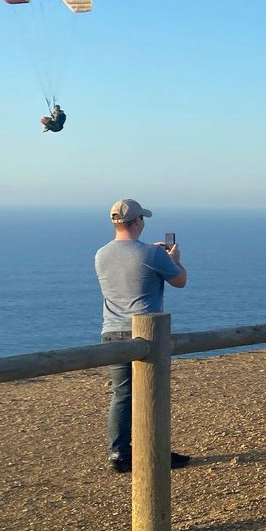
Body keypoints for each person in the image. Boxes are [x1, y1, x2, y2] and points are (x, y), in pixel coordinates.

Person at [94, 198, 188, 474]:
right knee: (152, 394)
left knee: (122, 395)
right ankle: (154, 451)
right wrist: (174, 261)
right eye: (142, 219)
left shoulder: (100, 254)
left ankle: (119, 453)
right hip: (146, 334)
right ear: (136, 222)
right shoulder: (152, 254)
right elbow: (180, 281)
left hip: (111, 331)